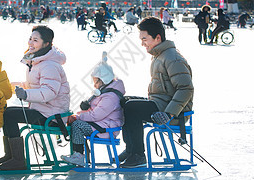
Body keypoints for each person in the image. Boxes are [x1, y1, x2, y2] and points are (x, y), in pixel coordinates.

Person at [119, 17, 194, 168]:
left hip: (174, 112)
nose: (142, 43)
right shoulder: (159, 55)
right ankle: (131, 149)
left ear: (157, 37)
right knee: (123, 101)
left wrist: (169, 114)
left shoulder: (172, 58)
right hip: (160, 104)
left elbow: (186, 89)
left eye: (145, 39)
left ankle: (138, 155)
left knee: (132, 108)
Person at [0, 25, 70, 170]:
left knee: (10, 115)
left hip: (52, 115)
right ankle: (11, 155)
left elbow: (49, 92)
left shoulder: (49, 65)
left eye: (35, 40)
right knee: (6, 111)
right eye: (30, 39)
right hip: (42, 110)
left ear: (46, 43)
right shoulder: (36, 62)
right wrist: (9, 87)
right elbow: (32, 86)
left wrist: (26, 95)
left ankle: (17, 159)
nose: (31, 43)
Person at [62, 52, 126, 166]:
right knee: (76, 124)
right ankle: (81, 154)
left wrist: (78, 116)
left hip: (107, 128)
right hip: (102, 124)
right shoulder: (106, 92)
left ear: (103, 80)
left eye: (95, 81)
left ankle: (79, 156)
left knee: (77, 125)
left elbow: (96, 115)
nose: (94, 85)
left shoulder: (110, 97)